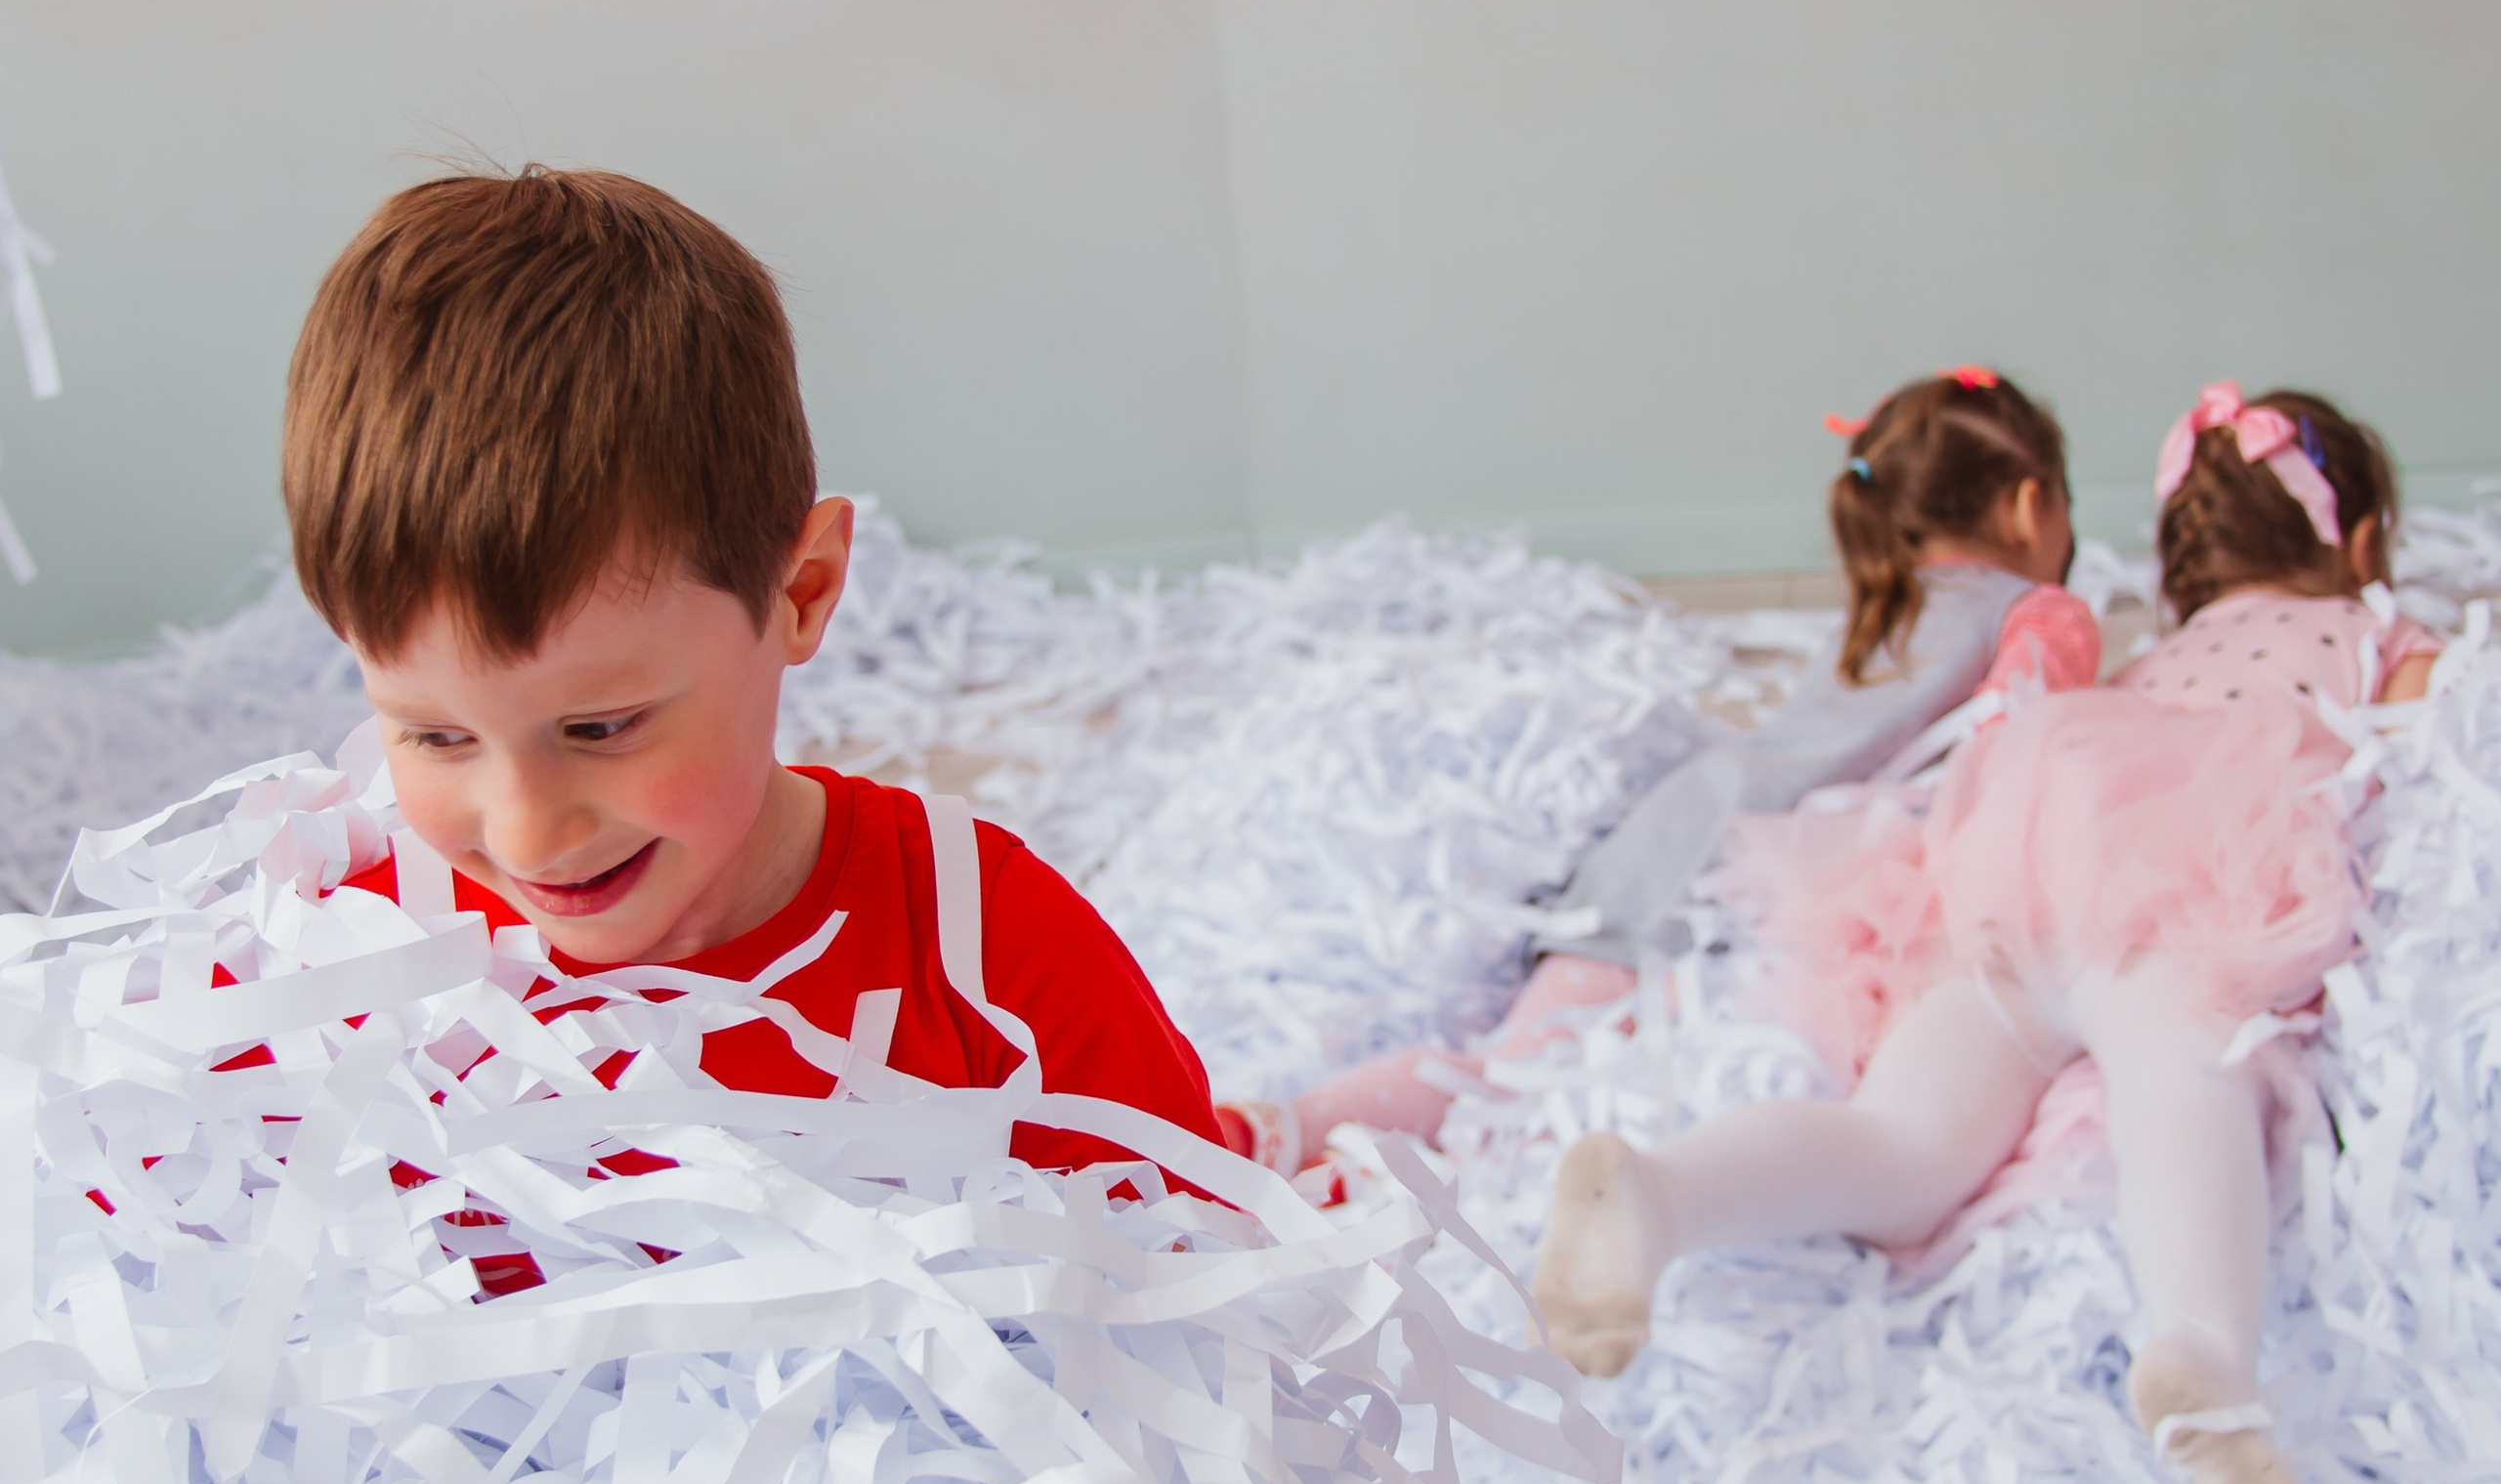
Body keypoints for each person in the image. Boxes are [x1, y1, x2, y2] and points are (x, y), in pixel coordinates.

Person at [1531, 384, 2439, 1484]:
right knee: (2184, 1078)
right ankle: (2205, 1370)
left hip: (2017, 859)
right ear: (2359, 541)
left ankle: (1661, 1191)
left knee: (1904, 1144)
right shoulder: (2376, 634)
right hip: (2184, 879)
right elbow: (2443, 757)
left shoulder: (2148, 664)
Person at [282, 165, 1235, 1181]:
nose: (526, 834)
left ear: (802, 593)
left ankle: (1281, 1130)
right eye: (436, 736)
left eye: (600, 727)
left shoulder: (984, 954)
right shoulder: (330, 968)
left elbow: (1200, 1272)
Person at [1238, 369, 2098, 1170]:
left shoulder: (1884, 610)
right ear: (2031, 507)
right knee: (1512, 1084)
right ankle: (1313, 1150)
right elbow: (2021, 739)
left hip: (1674, 826)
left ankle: (1297, 1137)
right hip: (1736, 876)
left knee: (1513, 1068)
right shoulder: (2041, 609)